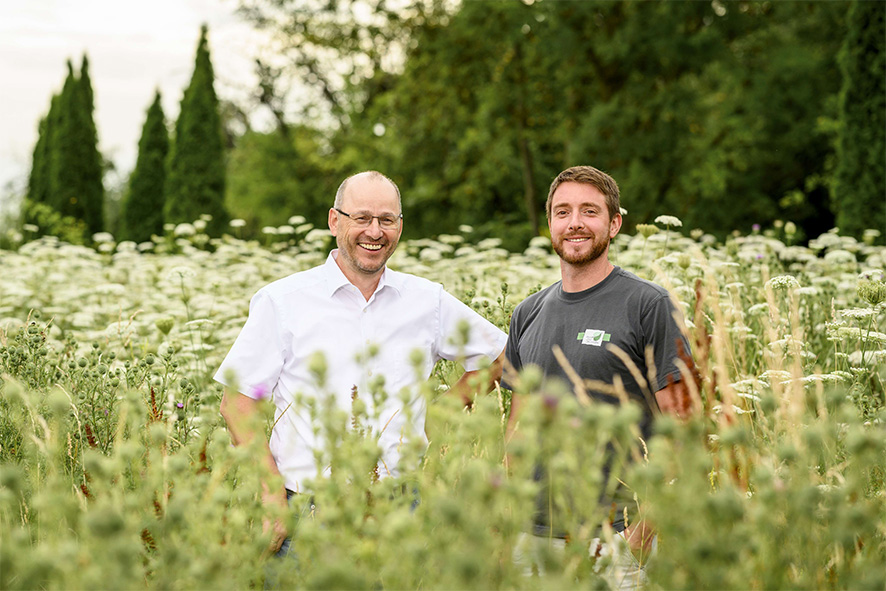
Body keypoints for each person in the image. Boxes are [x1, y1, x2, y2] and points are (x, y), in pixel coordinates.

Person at [215, 171, 507, 553]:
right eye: (362, 218)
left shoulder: (426, 301)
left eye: (387, 220)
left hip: (401, 508)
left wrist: (441, 413)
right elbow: (238, 404)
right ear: (334, 220)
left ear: (400, 227)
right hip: (307, 512)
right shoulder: (282, 301)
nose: (375, 231)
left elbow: (498, 358)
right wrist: (271, 494)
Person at [503, 165, 694, 587]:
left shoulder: (649, 305)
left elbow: (684, 429)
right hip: (531, 538)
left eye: (589, 211)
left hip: (613, 538)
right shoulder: (526, 313)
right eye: (562, 211)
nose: (575, 223)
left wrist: (641, 534)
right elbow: (516, 429)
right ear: (549, 222)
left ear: (614, 223)